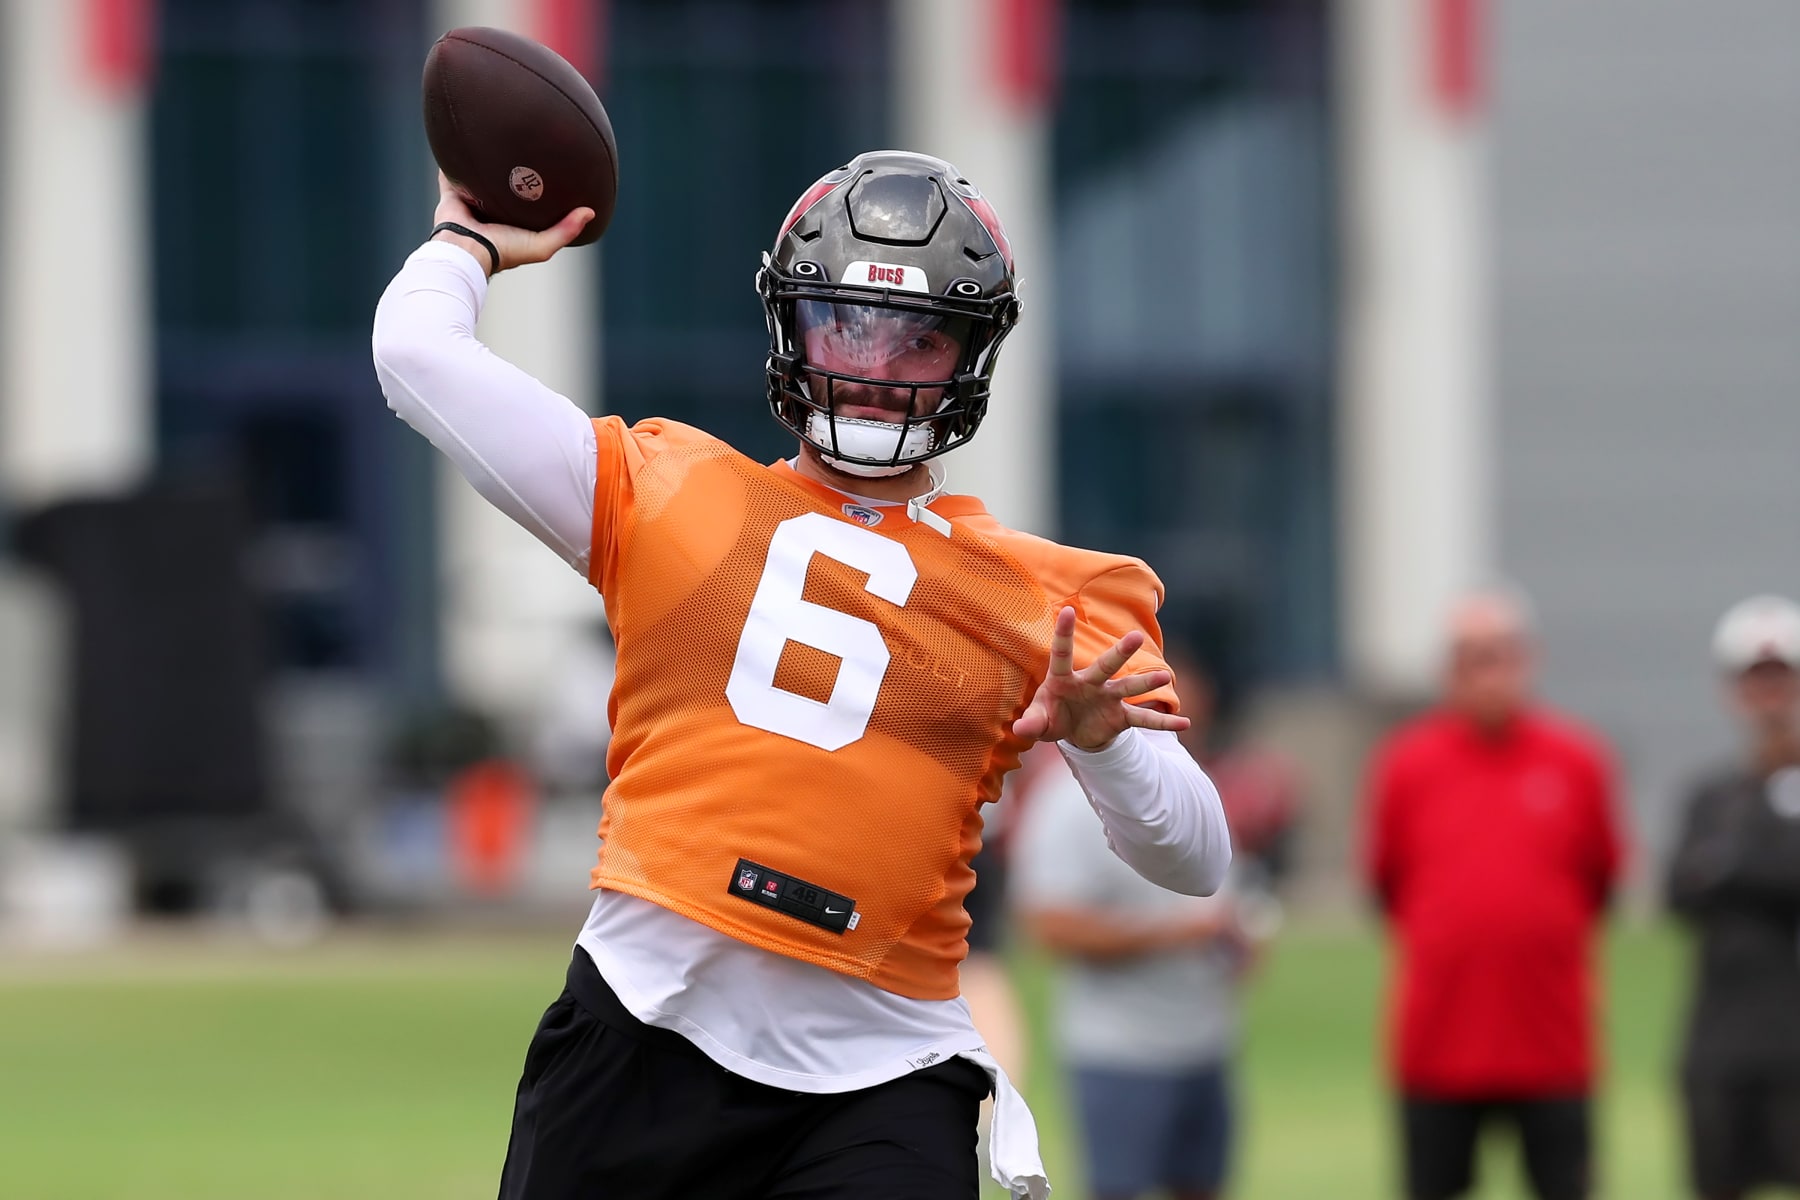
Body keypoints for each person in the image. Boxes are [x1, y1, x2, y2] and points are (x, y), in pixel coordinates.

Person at [371, 150, 1232, 1200]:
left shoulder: (1043, 596)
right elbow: (415, 350)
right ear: (790, 326)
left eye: (918, 337)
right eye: (845, 323)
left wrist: (1103, 746)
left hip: (882, 1073)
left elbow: (1197, 857)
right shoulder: (663, 492)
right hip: (644, 1023)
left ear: (972, 352)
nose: (875, 365)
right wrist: (469, 240)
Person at [1361, 586, 1625, 1200]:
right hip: (1439, 1043)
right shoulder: (1406, 764)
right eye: (1470, 657)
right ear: (1447, 669)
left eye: (1499, 655)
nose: (1486, 674)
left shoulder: (1577, 759)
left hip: (1550, 1041)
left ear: (1527, 659)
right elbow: (1387, 885)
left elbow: (1600, 881)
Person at [1014, 656, 1275, 1200]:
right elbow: (1050, 926)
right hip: (1120, 1053)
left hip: (1206, 1044)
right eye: (1167, 701)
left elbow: (1228, 897)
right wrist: (1176, 935)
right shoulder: (1066, 802)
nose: (1180, 717)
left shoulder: (1197, 788)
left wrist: (1237, 940)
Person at [1667, 595, 1800, 1200]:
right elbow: (1679, 893)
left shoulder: (1728, 811)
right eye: (1755, 679)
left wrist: (1733, 866)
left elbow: (1726, 874)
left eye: (1781, 678)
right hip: (1721, 1044)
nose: (1769, 695)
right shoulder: (1711, 795)